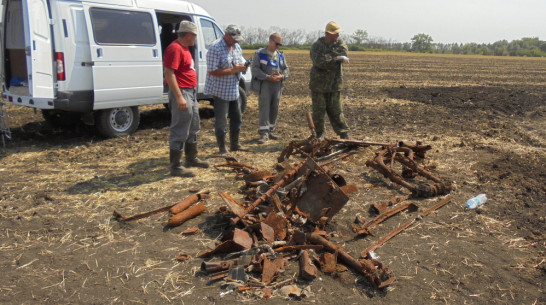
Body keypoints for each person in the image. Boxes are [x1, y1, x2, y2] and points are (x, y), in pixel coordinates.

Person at [164, 20, 209, 177]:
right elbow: (169, 73)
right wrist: (179, 97)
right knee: (180, 127)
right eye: (195, 35)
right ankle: (175, 166)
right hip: (182, 92)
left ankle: (192, 158)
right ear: (188, 34)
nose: (196, 38)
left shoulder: (185, 48)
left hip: (190, 92)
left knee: (193, 125)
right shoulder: (175, 49)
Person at [204, 25, 249, 154]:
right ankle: (222, 148)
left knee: (237, 117)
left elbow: (238, 64)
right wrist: (233, 70)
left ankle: (235, 144)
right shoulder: (215, 48)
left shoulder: (236, 47)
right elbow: (212, 71)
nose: (236, 41)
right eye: (234, 39)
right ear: (227, 35)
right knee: (221, 120)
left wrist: (242, 67)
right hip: (220, 90)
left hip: (234, 88)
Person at [309, 21, 350, 140]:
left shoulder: (340, 43)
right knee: (319, 111)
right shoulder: (317, 46)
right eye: (335, 33)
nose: (337, 36)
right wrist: (336, 58)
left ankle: (343, 133)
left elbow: (344, 52)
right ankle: (319, 134)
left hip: (334, 84)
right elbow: (319, 62)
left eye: (338, 33)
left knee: (336, 110)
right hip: (318, 85)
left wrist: (329, 57)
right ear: (328, 33)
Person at [251, 33, 290, 144]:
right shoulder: (260, 53)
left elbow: (286, 69)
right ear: (270, 41)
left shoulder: (280, 55)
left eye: (280, 44)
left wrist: (282, 76)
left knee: (274, 107)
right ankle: (264, 133)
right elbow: (255, 70)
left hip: (277, 85)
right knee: (265, 108)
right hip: (265, 85)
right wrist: (268, 77)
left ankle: (271, 130)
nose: (278, 46)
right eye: (277, 43)